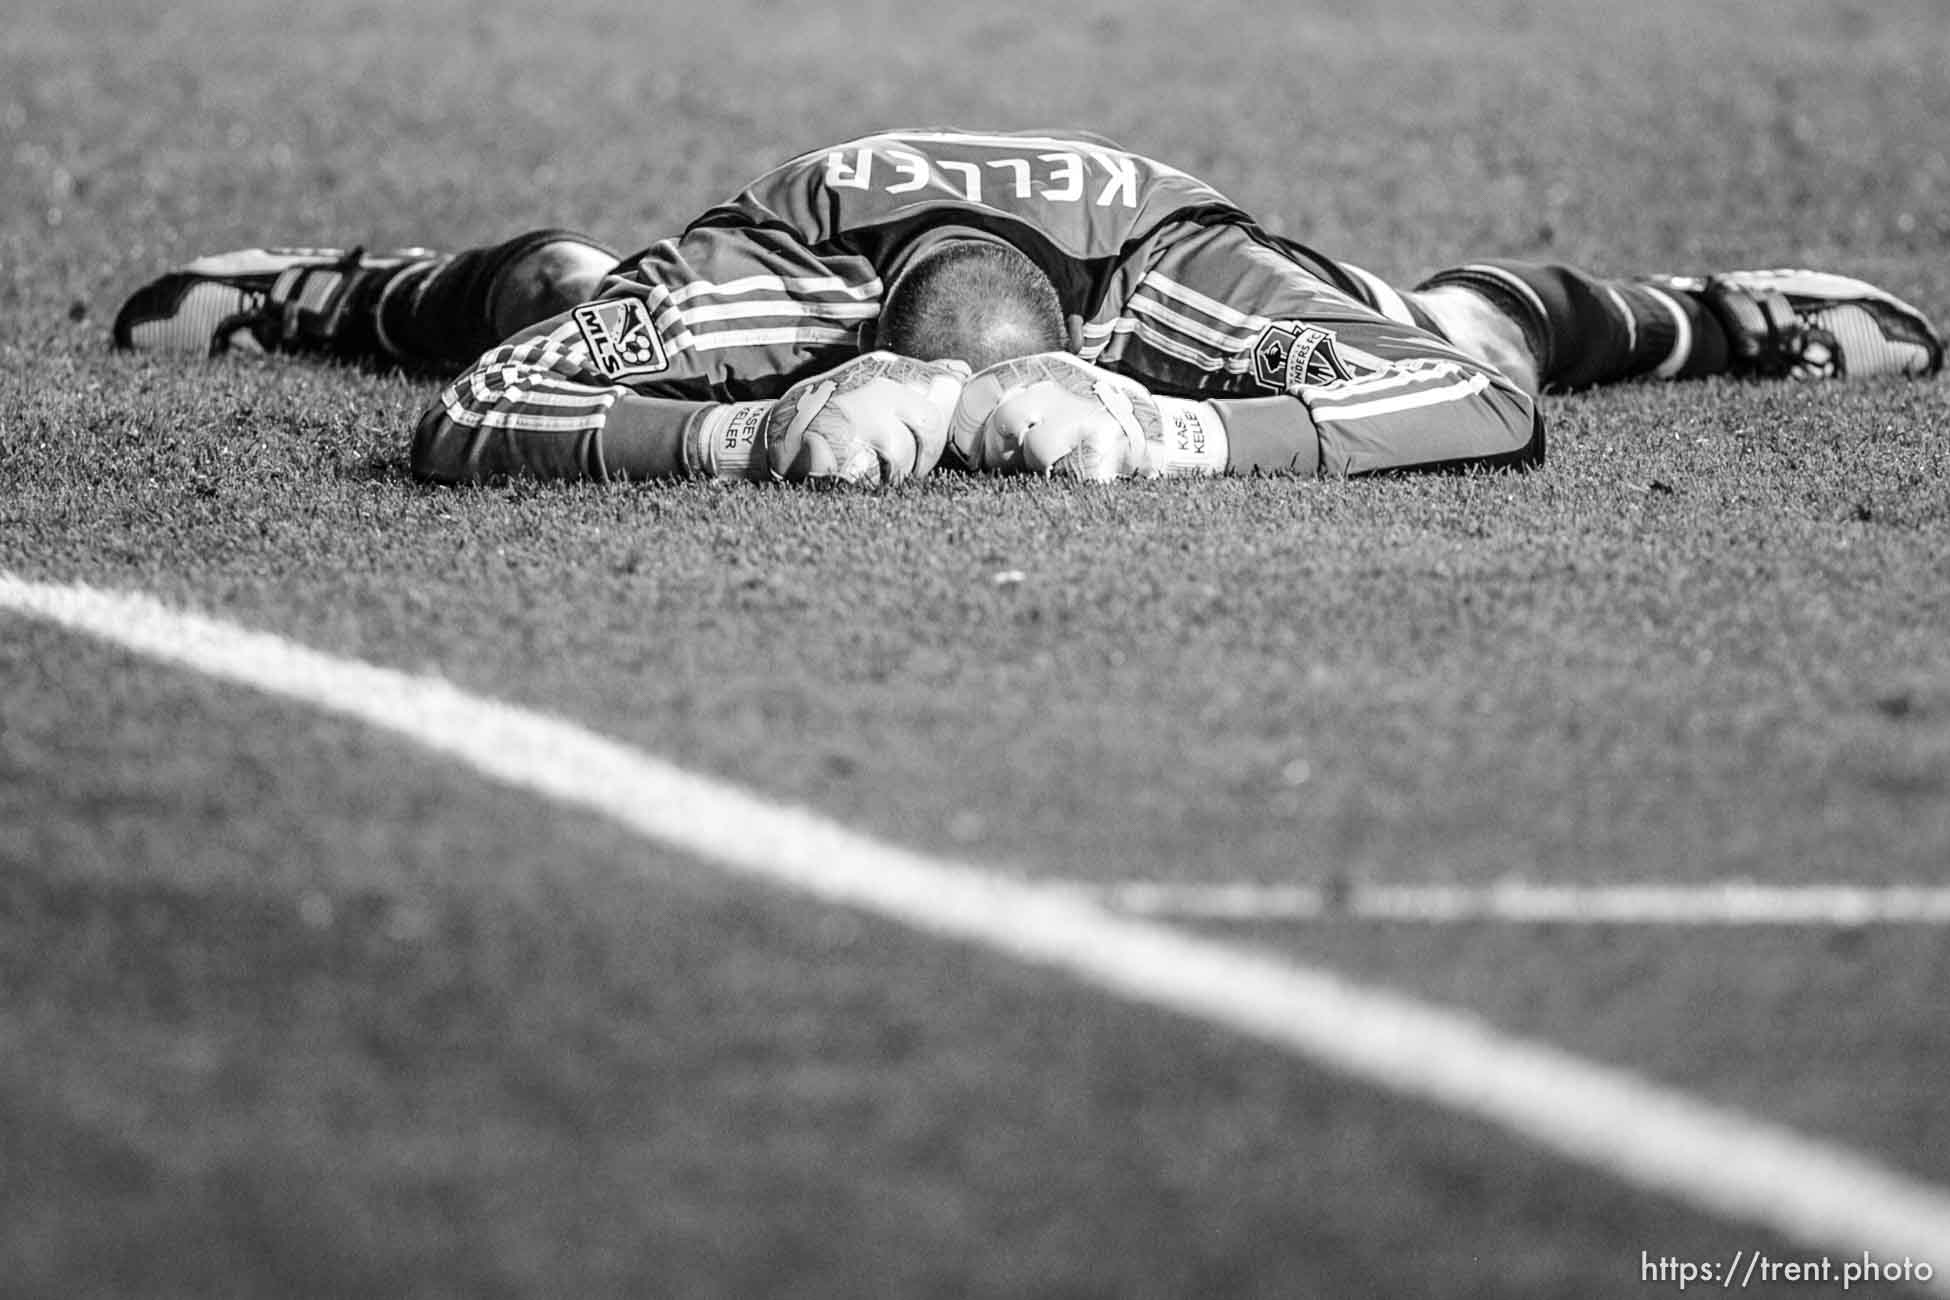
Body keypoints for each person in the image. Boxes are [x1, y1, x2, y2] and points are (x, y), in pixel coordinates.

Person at [112, 126, 1944, 486]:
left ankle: (1720, 313)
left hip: (1159, 257)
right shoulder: (776, 279)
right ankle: (332, 288)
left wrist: (1179, 431)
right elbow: (477, 410)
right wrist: (743, 430)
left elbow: (1481, 415)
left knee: (1469, 327)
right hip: (807, 262)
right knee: (557, 286)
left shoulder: (1180, 287)